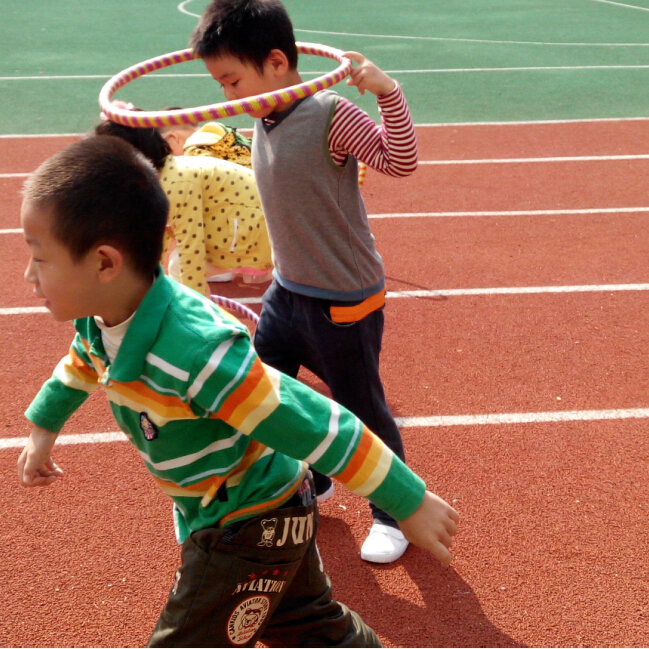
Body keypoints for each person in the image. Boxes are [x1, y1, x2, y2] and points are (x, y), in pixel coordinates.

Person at [17, 137, 460, 648]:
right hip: (236, 508)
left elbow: (314, 420)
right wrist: (44, 426)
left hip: (249, 522)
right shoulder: (102, 321)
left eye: (39, 258)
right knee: (309, 626)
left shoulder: (199, 355)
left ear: (104, 263)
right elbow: (81, 361)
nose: (28, 276)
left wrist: (406, 500)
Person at [190, 0, 418, 563]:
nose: (227, 95)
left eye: (233, 81)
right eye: (219, 85)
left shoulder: (329, 115)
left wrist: (388, 92)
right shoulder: (262, 122)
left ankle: (394, 513)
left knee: (361, 408)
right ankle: (314, 476)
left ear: (276, 63)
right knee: (269, 392)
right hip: (287, 294)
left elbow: (401, 160)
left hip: (343, 300)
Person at [95, 110, 272, 295]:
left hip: (255, 231)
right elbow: (159, 237)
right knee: (176, 265)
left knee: (180, 267)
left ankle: (199, 316)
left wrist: (195, 307)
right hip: (252, 224)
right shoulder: (165, 174)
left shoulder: (176, 182)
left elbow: (191, 247)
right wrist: (148, 279)